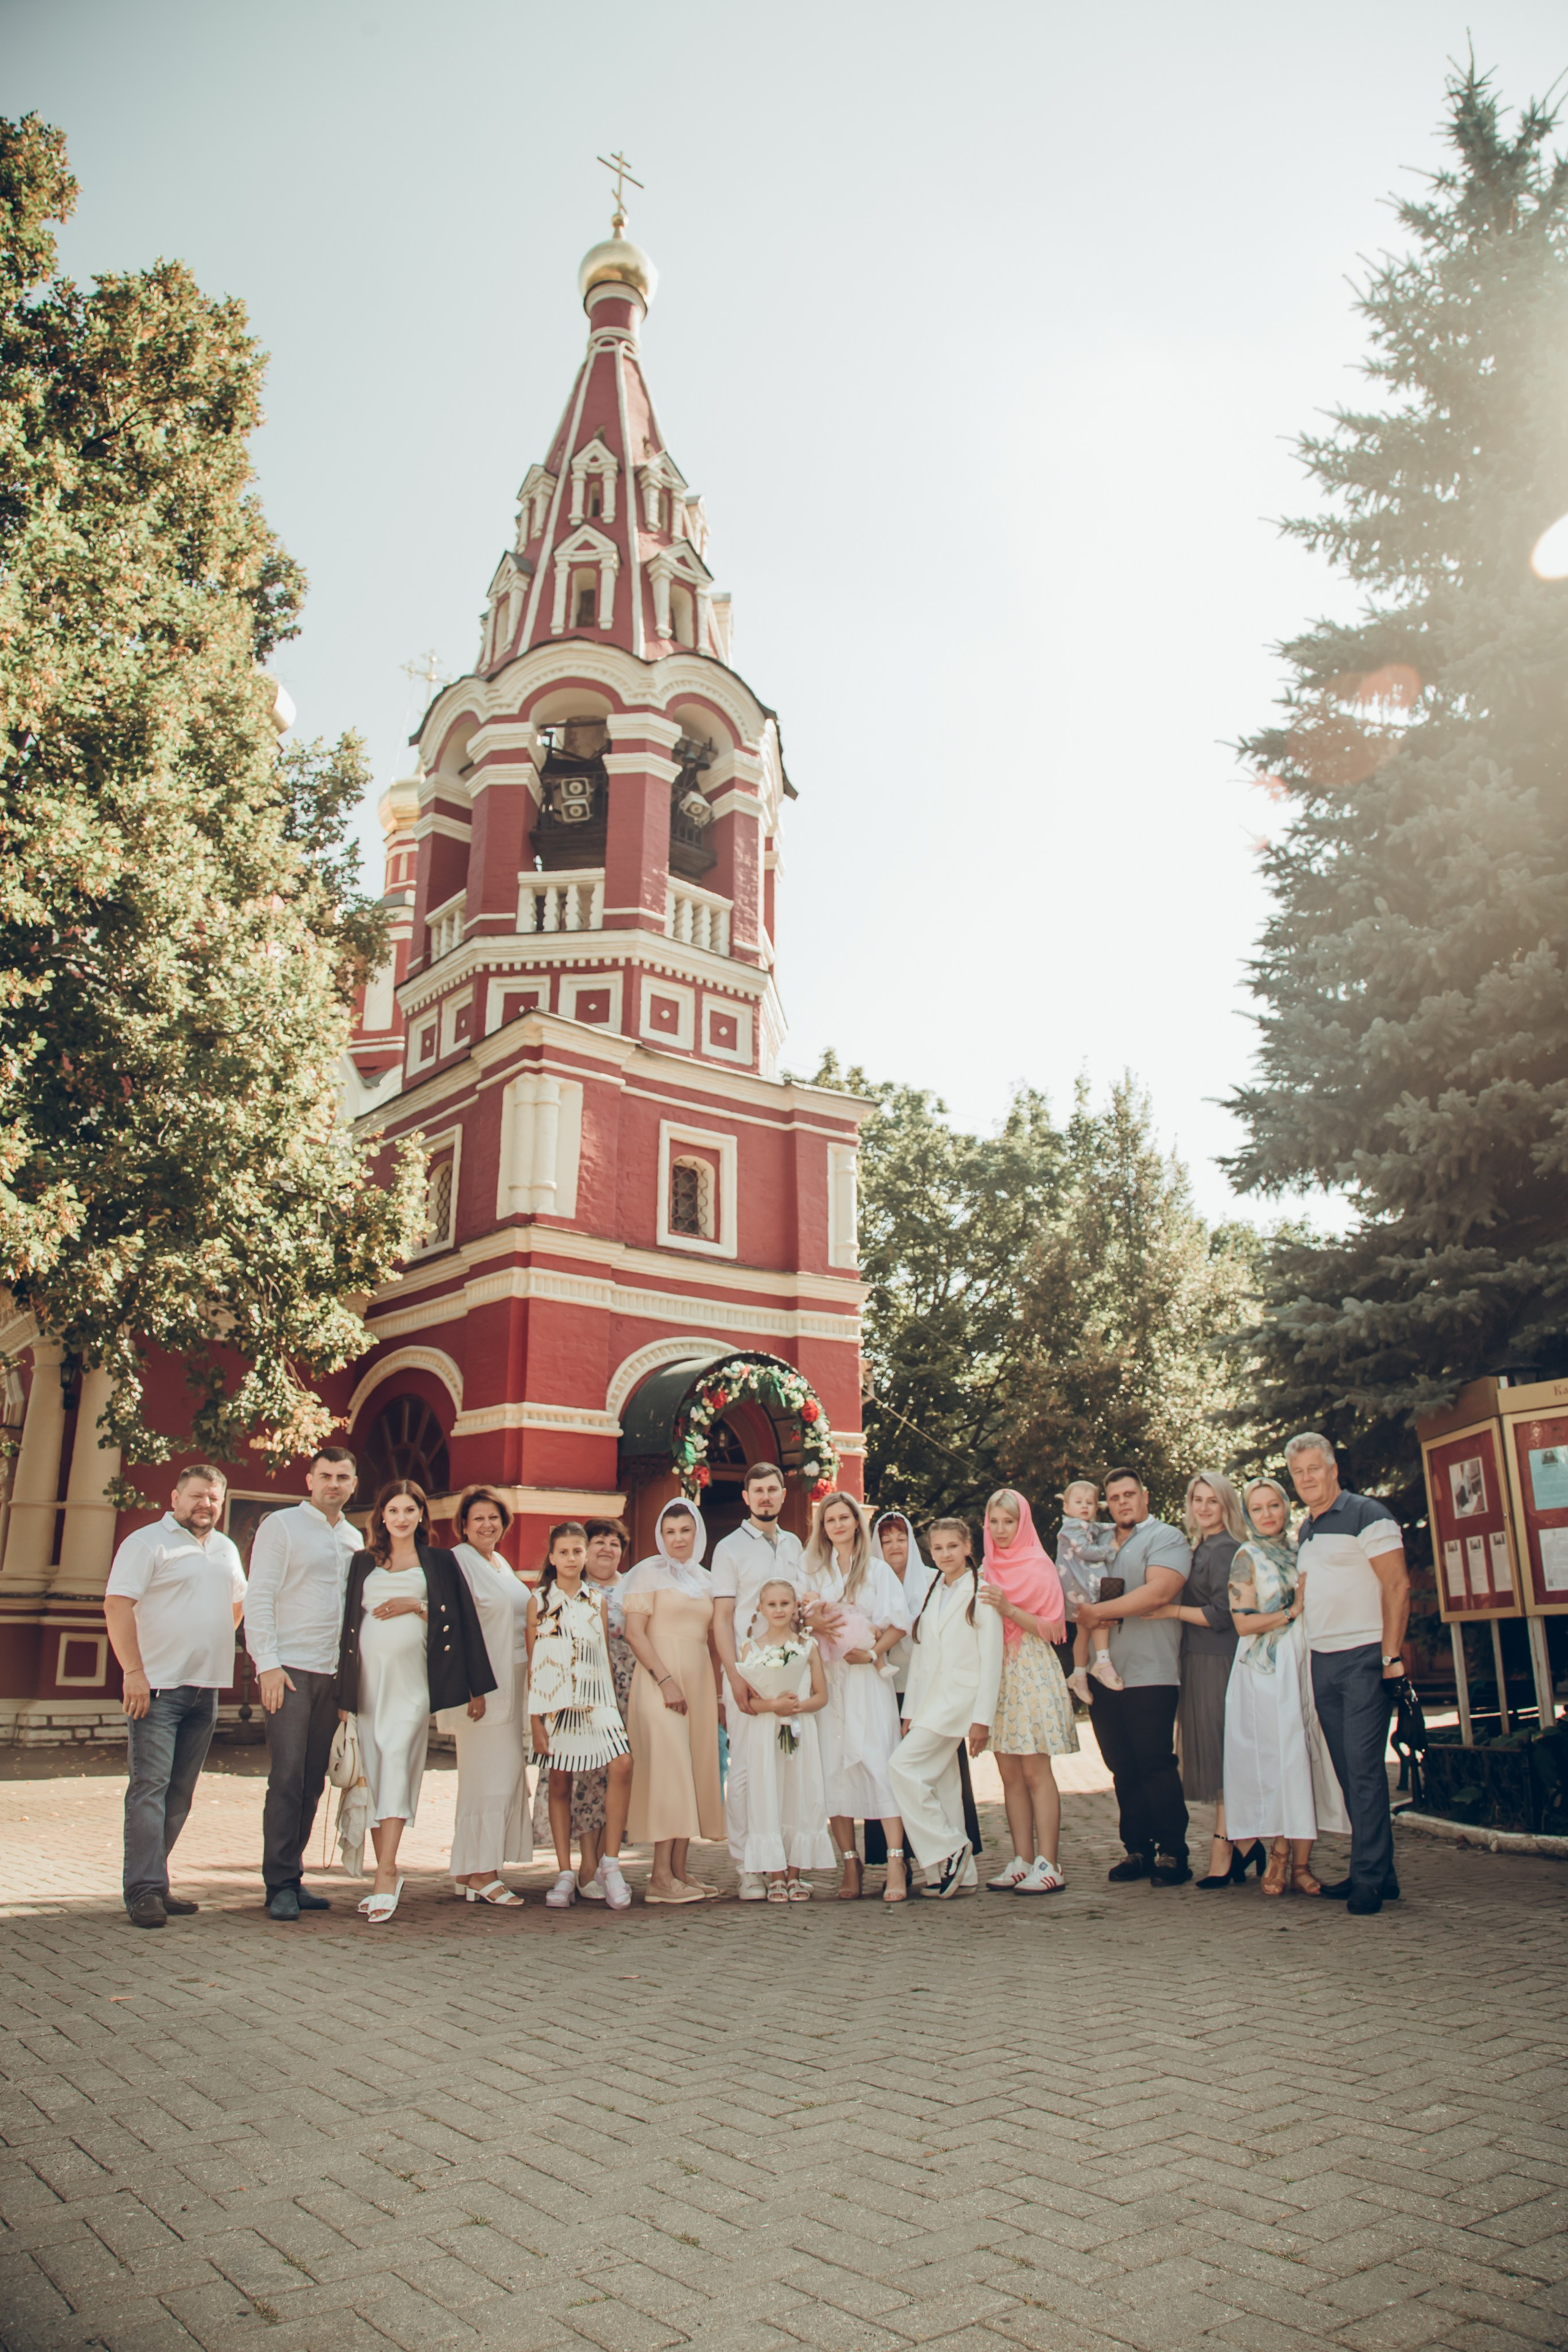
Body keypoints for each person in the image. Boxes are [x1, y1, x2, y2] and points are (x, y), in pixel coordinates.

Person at [336, 1479, 495, 1924]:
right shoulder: (362, 1563)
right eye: (394, 1511)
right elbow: (349, 1624)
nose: (402, 1518)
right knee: (371, 1770)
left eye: (410, 1510)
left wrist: (415, 1605)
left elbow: (462, 1619)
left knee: (397, 1760)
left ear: (421, 1515)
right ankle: (384, 1872)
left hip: (410, 1685)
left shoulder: (439, 1563)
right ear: (382, 1517)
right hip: (367, 1684)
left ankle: (387, 1873)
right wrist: (343, 1694)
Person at [104, 1466, 247, 1929]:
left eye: (214, 1498)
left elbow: (237, 1602)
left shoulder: (225, 1549)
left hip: (205, 1689)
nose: (205, 1505)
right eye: (197, 1496)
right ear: (175, 1497)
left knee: (180, 1793)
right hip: (158, 1688)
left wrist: (212, 1639)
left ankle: (157, 1882)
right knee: (150, 1788)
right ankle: (142, 1890)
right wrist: (134, 1672)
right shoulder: (147, 1543)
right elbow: (117, 1604)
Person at [1286, 1432, 1410, 1916]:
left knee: (1363, 1769)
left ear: (1333, 1469)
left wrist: (1390, 1655)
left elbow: (1397, 1586)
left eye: (1314, 1468)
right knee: (1346, 1770)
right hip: (1324, 1659)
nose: (1307, 1479)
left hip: (1364, 1657)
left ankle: (1369, 1879)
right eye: (1298, 1472)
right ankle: (1382, 1873)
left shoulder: (1367, 1514)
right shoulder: (1307, 1529)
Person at [244, 1446, 361, 1921]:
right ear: (310, 1480)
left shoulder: (355, 1539)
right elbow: (260, 1595)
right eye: (326, 1475)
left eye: (344, 1477)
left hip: (332, 1676)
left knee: (314, 1779)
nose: (334, 1484)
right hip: (288, 1672)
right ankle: (278, 1885)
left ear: (354, 1485)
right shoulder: (282, 1526)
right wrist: (267, 1664)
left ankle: (294, 1875)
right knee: (287, 1777)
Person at [1224, 1477, 1348, 1894]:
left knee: (1305, 1755)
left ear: (1285, 1506)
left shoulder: (1302, 1550)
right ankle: (1278, 1853)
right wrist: (1291, 1613)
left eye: (1273, 1505)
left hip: (1305, 1662)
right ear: (1248, 1515)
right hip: (1264, 1673)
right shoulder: (1248, 1556)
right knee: (1279, 1759)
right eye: (1257, 1508)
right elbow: (1242, 1622)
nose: (1266, 1515)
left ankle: (1301, 1864)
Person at [1074, 1468, 1194, 1885]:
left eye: (1130, 1494)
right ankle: (1137, 1849)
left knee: (1155, 1762)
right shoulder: (1098, 1542)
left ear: (1145, 1497)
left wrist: (1098, 1612)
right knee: (1122, 1766)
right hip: (1105, 1672)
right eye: (1115, 1497)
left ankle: (1173, 1853)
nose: (1123, 1502)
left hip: (1151, 1671)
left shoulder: (1166, 1538)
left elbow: (1159, 1591)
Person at [802, 1491, 911, 1903]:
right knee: (834, 1766)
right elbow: (803, 1619)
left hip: (867, 1676)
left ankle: (897, 1861)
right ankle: (850, 1861)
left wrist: (873, 1653)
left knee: (878, 1761)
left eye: (844, 1518)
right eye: (830, 1521)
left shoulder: (878, 1572)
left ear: (856, 1523)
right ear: (823, 1529)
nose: (838, 1526)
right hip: (832, 1678)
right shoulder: (816, 1574)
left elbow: (899, 1622)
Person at [888, 1517, 1003, 1899]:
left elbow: (991, 1661)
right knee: (944, 1785)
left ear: (967, 1547)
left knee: (901, 1768)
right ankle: (959, 1874)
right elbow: (921, 1659)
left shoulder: (982, 1592)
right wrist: (910, 1713)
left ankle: (950, 1847)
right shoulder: (935, 1591)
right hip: (930, 1704)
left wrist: (981, 1721)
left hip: (959, 1703)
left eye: (952, 1547)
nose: (945, 1554)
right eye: (937, 1548)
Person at [711, 1461, 809, 1901]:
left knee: (789, 1766)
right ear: (746, 1498)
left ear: (783, 1495)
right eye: (758, 1491)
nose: (766, 1497)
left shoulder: (794, 1545)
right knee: (748, 1771)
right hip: (747, 1673)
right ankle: (747, 1865)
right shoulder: (729, 1548)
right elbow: (723, 1618)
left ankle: (785, 1864)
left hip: (791, 1669)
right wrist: (734, 1676)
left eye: (773, 1490)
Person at [527, 1521, 633, 1911]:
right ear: (553, 1558)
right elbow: (533, 1664)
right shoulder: (538, 1601)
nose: (572, 1558)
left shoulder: (597, 1601)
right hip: (555, 1706)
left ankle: (611, 1864)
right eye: (564, 1552)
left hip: (597, 1702)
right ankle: (564, 1872)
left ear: (584, 1556)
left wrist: (614, 1713)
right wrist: (536, 1721)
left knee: (622, 1764)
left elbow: (604, 1657)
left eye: (578, 1551)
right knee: (560, 1781)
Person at [624, 1500, 724, 1904]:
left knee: (695, 1770)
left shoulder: (707, 1580)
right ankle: (659, 1878)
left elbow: (716, 1639)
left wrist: (716, 1693)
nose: (678, 1539)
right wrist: (665, 1680)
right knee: (670, 1772)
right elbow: (634, 1633)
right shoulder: (648, 1573)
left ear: (697, 1533)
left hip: (697, 1682)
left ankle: (680, 1869)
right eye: (670, 1532)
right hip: (659, 1682)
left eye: (685, 1531)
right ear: (660, 1537)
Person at [978, 1489, 1076, 1896]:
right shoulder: (986, 1565)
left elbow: (1054, 1628)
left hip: (1030, 1669)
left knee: (1036, 1771)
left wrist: (1008, 1609)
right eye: (994, 1522)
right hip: (997, 1674)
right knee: (1009, 1773)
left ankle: (1049, 1863)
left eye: (1009, 1522)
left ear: (1023, 1523)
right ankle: (1021, 1859)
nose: (1001, 1530)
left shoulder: (1039, 1564)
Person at [1162, 1472, 1250, 1889]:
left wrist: (1170, 1612)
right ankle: (1245, 1844)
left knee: (1222, 1756)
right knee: (1217, 1756)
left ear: (1226, 1505)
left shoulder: (1226, 1548)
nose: (1203, 1507)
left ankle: (1226, 1846)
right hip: (1196, 1658)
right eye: (1197, 1499)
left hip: (1218, 1659)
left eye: (1212, 1500)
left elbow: (1222, 1615)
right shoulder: (1198, 1546)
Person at [447, 1487, 532, 1904]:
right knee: (492, 1778)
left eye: (494, 1518)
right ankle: (484, 1872)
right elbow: (454, 1626)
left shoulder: (499, 1563)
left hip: (513, 1679)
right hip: (483, 1685)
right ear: (463, 1525)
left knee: (499, 1775)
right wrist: (471, 1685)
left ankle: (468, 1869)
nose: (487, 1525)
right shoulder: (459, 1562)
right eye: (478, 1518)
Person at [730, 1578, 835, 1899]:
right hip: (766, 1730)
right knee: (768, 1794)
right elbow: (748, 1703)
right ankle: (774, 1874)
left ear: (795, 1608)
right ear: (760, 1608)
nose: (778, 1610)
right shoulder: (751, 1647)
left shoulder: (807, 1646)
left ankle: (795, 1874)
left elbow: (821, 1696)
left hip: (801, 1727)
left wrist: (797, 1707)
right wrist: (774, 1706)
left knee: (799, 1794)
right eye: (772, 1604)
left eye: (785, 1604)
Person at [1058, 1481, 1122, 1701]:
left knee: (1084, 1631)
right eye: (1079, 1502)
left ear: (1096, 1507)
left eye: (1090, 1503)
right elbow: (1084, 1551)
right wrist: (1109, 1550)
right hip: (1078, 1586)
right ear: (1067, 1507)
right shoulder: (1072, 1527)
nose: (1084, 1506)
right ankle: (1102, 1662)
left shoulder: (1086, 1525)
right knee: (1099, 1616)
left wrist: (1116, 1527)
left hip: (1082, 1585)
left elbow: (1103, 1527)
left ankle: (1078, 1675)